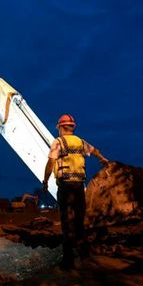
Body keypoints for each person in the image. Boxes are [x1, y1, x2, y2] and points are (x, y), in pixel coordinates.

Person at [42, 114, 109, 269]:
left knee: (66, 222)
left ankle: (68, 260)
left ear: (60, 127)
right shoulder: (80, 142)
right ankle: (84, 255)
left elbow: (51, 162)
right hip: (79, 187)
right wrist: (102, 158)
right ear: (72, 127)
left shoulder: (58, 142)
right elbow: (94, 150)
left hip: (65, 187)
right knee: (79, 222)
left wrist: (45, 181)